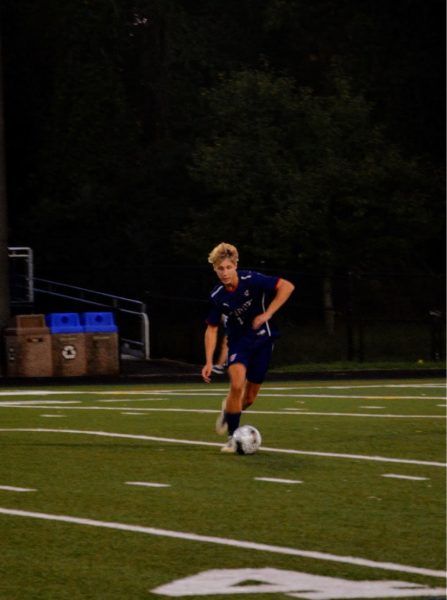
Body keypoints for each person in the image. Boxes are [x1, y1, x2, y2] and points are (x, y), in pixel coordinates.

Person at [201, 242, 295, 453]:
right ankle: (233, 439)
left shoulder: (252, 279)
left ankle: (229, 411)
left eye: (228, 267)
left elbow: (287, 286)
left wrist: (268, 313)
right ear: (214, 269)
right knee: (236, 385)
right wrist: (208, 361)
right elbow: (212, 329)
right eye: (220, 269)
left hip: (263, 339)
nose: (224, 273)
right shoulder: (217, 295)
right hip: (238, 342)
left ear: (235, 266)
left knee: (249, 398)